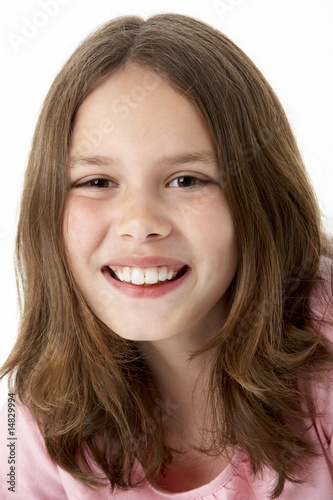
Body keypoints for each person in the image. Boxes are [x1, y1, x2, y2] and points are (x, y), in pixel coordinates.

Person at [1, 12, 333, 500]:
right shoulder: (27, 416)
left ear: (257, 195)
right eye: (97, 182)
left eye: (186, 180)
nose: (139, 222)